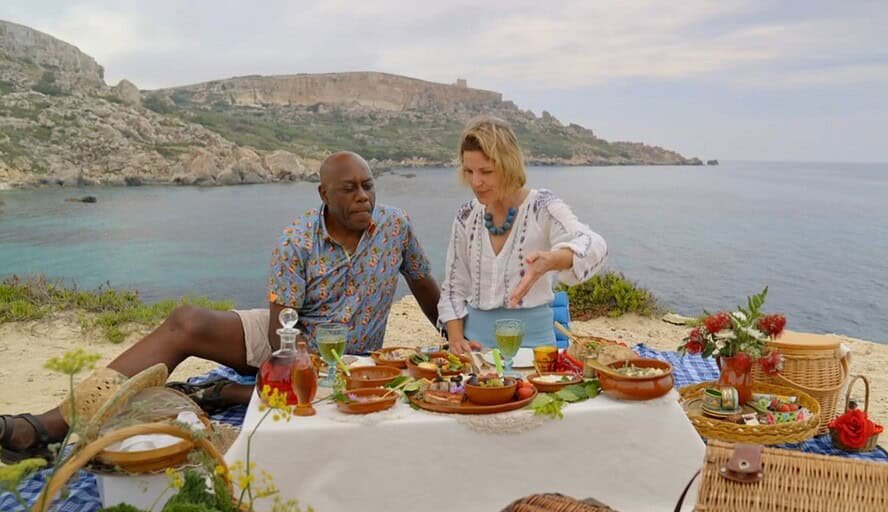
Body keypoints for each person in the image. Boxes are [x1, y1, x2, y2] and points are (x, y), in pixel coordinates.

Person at [0, 152, 440, 463]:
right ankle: (43, 427)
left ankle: (221, 393)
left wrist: (453, 342)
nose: (363, 196)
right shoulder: (296, 240)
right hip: (290, 338)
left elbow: (422, 283)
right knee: (184, 321)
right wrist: (303, 366)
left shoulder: (395, 227)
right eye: (349, 189)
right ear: (323, 194)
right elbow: (278, 330)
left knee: (341, 397)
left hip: (349, 357)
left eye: (368, 186)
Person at [439, 117, 607, 355]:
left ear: (509, 166)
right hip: (475, 352)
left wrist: (551, 261)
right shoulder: (467, 215)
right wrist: (456, 341)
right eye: (469, 171)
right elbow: (454, 287)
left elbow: (594, 245)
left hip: (535, 352)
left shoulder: (542, 207)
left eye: (486, 171)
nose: (476, 182)